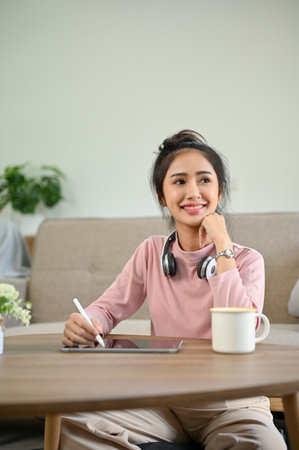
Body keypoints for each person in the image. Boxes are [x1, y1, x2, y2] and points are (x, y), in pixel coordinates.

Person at [61, 130, 286, 449]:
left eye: (204, 180)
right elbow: (108, 308)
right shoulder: (151, 252)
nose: (193, 192)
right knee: (70, 420)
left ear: (219, 190)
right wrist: (89, 322)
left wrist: (222, 245)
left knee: (267, 445)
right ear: (162, 196)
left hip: (230, 406)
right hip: (161, 404)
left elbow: (243, 332)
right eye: (179, 181)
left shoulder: (248, 260)